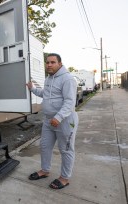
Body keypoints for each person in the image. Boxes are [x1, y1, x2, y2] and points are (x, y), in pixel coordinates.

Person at [26, 53, 79, 189]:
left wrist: (58, 117)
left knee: (66, 150)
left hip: (66, 121)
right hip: (49, 121)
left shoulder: (68, 79)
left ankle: (65, 178)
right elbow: (46, 94)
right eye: (47, 62)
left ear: (60, 64)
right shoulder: (48, 78)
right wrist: (32, 89)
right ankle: (45, 170)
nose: (49, 65)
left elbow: (70, 102)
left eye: (52, 62)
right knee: (45, 147)